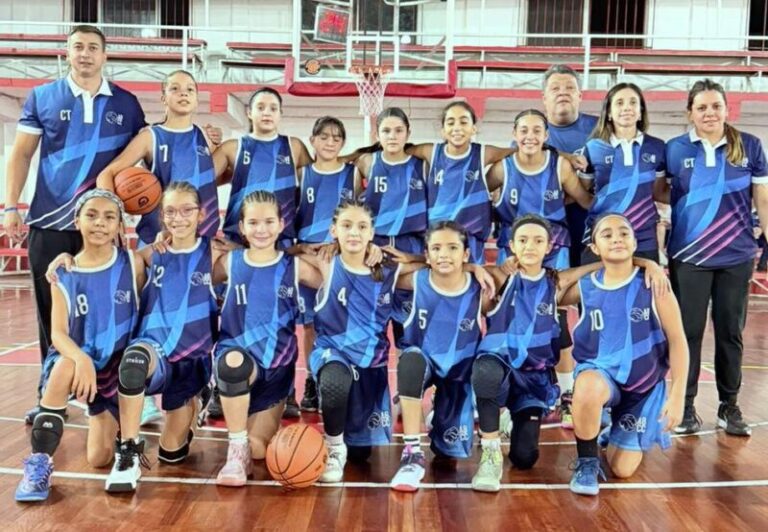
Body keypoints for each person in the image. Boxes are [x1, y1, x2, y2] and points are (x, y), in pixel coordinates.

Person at [2, 25, 146, 423]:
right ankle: (51, 394)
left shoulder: (128, 104)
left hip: (103, 226)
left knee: (116, 311)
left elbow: (145, 157)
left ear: (105, 55)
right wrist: (10, 206)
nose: (85, 54)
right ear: (67, 53)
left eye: (93, 48)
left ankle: (120, 392)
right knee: (52, 314)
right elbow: (21, 155)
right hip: (49, 223)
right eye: (78, 47)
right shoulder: (43, 97)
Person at [15, 190, 144, 502]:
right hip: (77, 360)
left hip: (116, 368)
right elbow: (58, 334)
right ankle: (39, 464)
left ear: (120, 226)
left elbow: (174, 249)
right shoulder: (62, 273)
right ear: (77, 221)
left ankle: (120, 431)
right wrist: (82, 359)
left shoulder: (133, 262)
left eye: (109, 217)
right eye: (91, 215)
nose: (100, 223)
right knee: (65, 364)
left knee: (99, 457)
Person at [658, 79, 768, 436]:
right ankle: (686, 406)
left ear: (727, 109)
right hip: (688, 256)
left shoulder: (749, 146)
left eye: (715, 106)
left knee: (730, 333)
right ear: (690, 112)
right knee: (687, 332)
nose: (709, 113)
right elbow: (659, 190)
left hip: (736, 256)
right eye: (702, 107)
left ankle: (729, 406)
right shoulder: (674, 149)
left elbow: (762, 200)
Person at [470, 214, 609, 492]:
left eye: (538, 241)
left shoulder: (555, 282)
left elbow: (598, 267)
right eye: (522, 240)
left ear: (549, 247)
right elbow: (455, 268)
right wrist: (474, 265)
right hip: (501, 367)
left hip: (533, 380)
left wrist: (647, 263)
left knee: (525, 458)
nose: (530, 246)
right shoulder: (499, 276)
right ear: (511, 244)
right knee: (485, 371)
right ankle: (490, 453)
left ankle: (510, 419)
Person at [563, 213, 687, 496]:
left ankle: (610, 430)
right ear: (594, 247)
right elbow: (552, 284)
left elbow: (678, 340)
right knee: (588, 386)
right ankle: (587, 463)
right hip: (602, 376)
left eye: (623, 233)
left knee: (621, 469)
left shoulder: (654, 285)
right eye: (606, 235)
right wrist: (638, 260)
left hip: (642, 387)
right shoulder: (587, 286)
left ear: (634, 242)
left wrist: (678, 394)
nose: (616, 238)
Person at [487, 109, 592, 428]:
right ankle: (506, 398)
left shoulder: (559, 165)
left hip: (553, 250)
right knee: (511, 324)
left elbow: (585, 200)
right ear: (514, 134)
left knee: (556, 324)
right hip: (513, 251)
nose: (530, 136)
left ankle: (567, 395)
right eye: (524, 130)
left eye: (537, 130)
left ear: (547, 136)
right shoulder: (502, 169)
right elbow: (476, 197)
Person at [213, 87, 313, 418]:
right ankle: (221, 384)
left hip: (281, 244)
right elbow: (200, 182)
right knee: (230, 316)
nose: (267, 112)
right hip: (239, 242)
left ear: (280, 114)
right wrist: (206, 146)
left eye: (273, 107)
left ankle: (286, 390)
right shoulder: (233, 146)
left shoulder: (294, 147)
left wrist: (307, 239)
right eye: (260, 107)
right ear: (250, 113)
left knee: (283, 320)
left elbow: (315, 187)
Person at [212, 191, 323, 486]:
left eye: (269, 222)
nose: (261, 229)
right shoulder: (230, 262)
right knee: (233, 364)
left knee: (260, 450)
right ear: (242, 227)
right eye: (253, 222)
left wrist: (319, 257)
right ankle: (235, 451)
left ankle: (246, 443)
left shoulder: (293, 266)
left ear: (281, 224)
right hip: (238, 359)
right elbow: (188, 282)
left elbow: (334, 283)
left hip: (277, 372)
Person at [388, 221, 490, 492]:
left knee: (448, 454)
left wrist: (474, 269)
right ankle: (412, 453)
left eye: (453, 248)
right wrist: (421, 262)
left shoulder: (479, 287)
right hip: (424, 363)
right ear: (427, 253)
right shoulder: (417, 280)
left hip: (459, 373)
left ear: (466, 254)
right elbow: (380, 272)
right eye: (436, 248)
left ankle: (441, 414)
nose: (444, 254)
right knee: (409, 361)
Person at [307, 199, 400, 483]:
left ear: (372, 233)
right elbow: (284, 252)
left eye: (362, 227)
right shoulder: (325, 263)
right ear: (333, 230)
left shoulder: (388, 271)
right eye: (346, 226)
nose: (354, 233)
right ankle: (333, 447)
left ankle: (387, 408)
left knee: (361, 456)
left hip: (370, 366)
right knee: (334, 382)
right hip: (332, 353)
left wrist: (475, 269)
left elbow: (433, 265)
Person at [95, 70, 220, 245]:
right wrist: (112, 217)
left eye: (190, 90)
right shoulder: (151, 137)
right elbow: (105, 175)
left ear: (197, 99)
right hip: (158, 241)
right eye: (174, 88)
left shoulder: (204, 137)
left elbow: (210, 180)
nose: (183, 93)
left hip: (201, 241)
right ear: (163, 98)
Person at [540, 64, 598, 418]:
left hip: (593, 230)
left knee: (595, 309)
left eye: (569, 87)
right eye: (555, 87)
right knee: (552, 309)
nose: (562, 92)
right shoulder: (533, 133)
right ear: (544, 97)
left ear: (580, 94)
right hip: (554, 235)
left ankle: (594, 386)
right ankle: (555, 387)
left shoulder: (597, 129)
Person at [295, 116, 357, 413]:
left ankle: (340, 377)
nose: (330, 142)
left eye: (336, 137)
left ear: (343, 143)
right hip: (308, 257)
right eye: (324, 136)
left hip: (342, 259)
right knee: (309, 326)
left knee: (338, 323)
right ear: (313, 140)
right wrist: (300, 248)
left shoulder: (353, 174)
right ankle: (311, 379)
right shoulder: (301, 174)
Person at [405, 101, 516, 264]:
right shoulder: (431, 151)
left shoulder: (484, 153)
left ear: (473, 128)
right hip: (438, 238)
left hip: (471, 240)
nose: (457, 127)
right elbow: (400, 149)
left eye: (464, 122)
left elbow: (520, 152)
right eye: (451, 122)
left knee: (472, 287)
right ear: (443, 131)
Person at [581, 83, 666, 264]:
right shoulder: (593, 148)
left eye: (633, 102)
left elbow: (658, 191)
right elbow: (582, 192)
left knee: (643, 292)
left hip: (643, 239)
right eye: (619, 103)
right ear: (609, 113)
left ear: (641, 111)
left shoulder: (658, 147)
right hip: (602, 237)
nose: (627, 107)